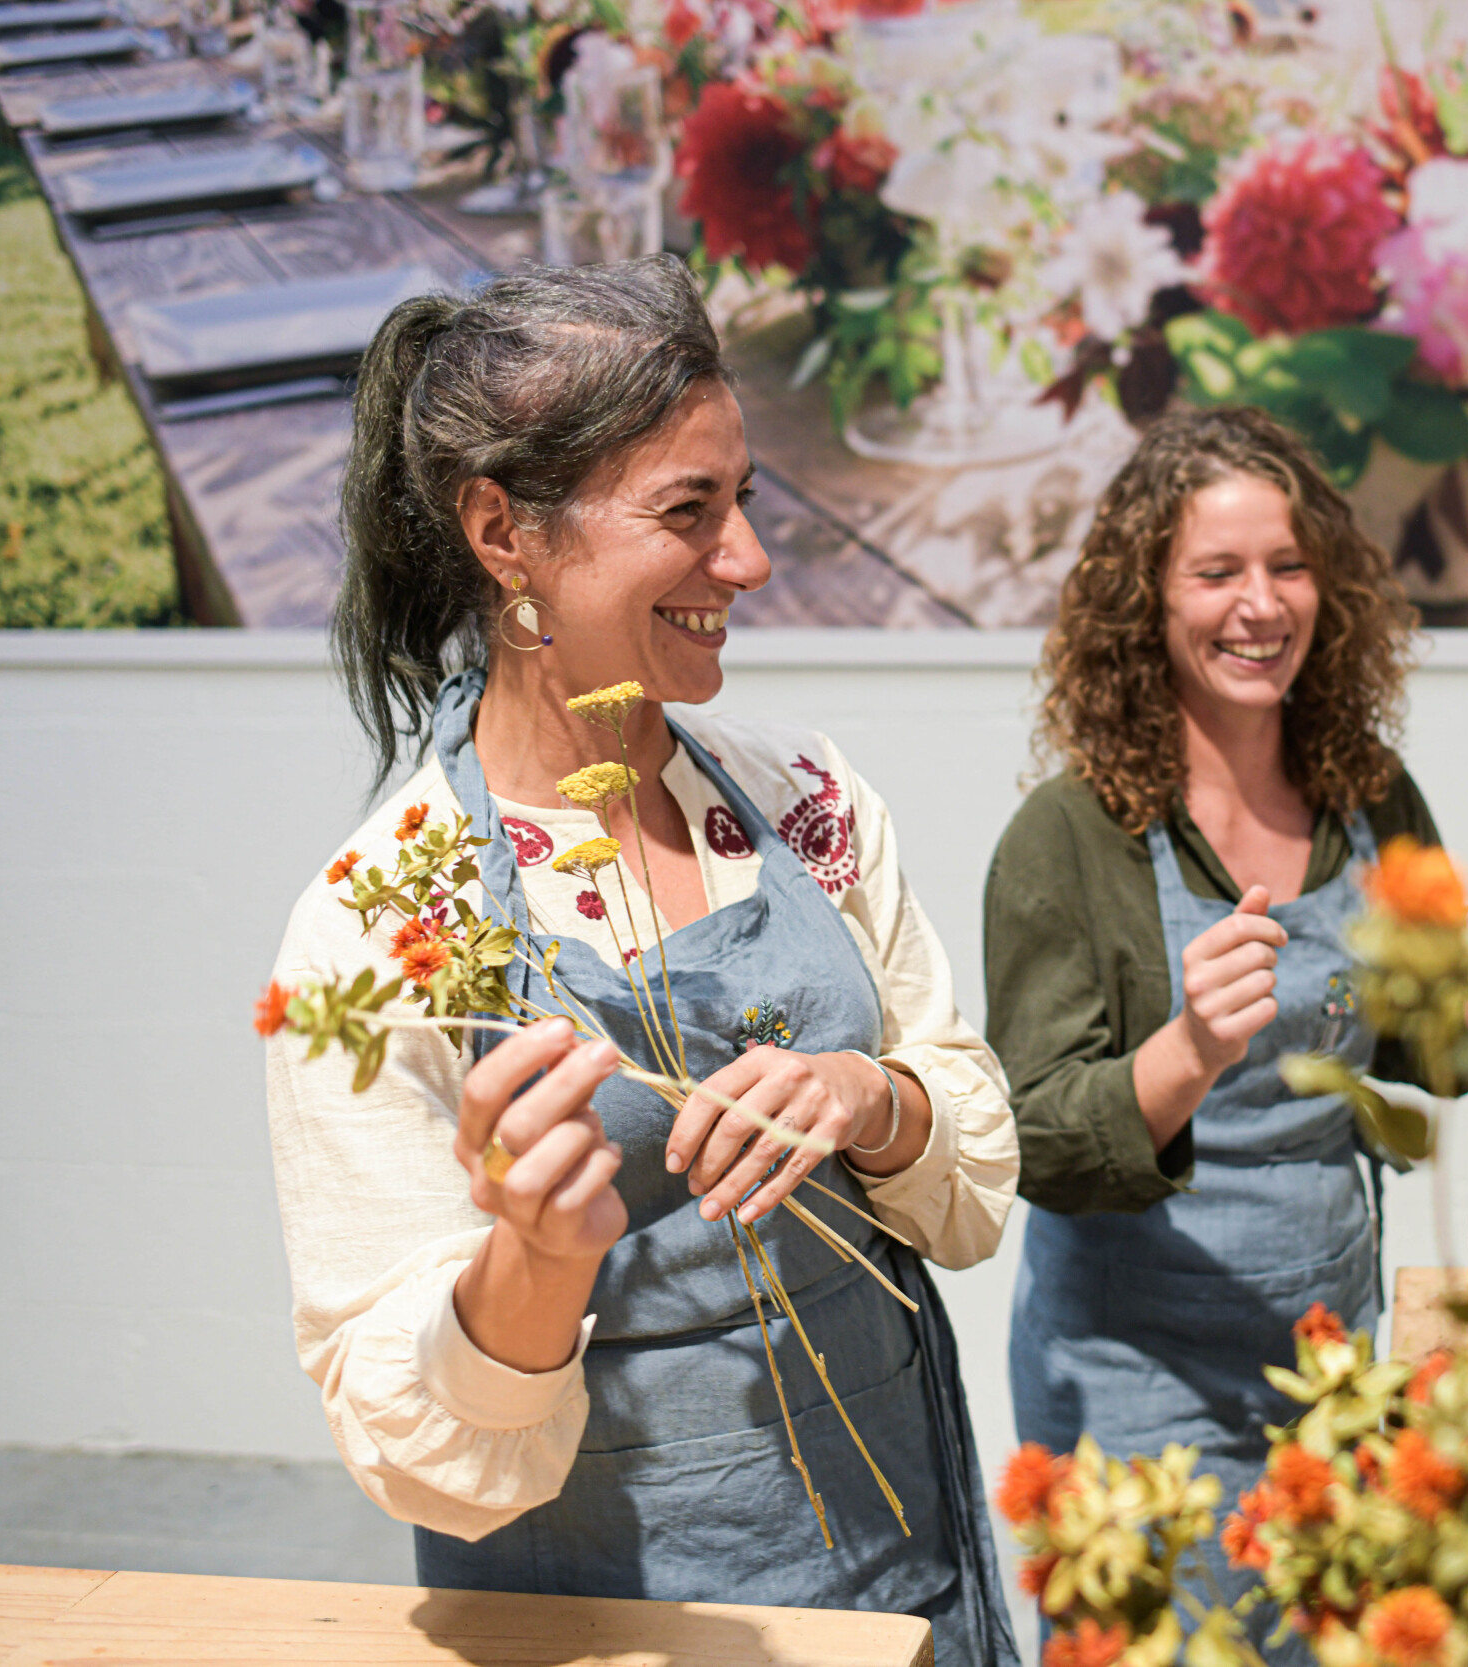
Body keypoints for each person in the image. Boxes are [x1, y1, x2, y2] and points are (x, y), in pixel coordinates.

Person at [262, 256, 1017, 1665]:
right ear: (505, 531)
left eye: (744, 501)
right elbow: (413, 1448)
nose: (748, 559)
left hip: (902, 1589)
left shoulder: (808, 801)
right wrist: (539, 1261)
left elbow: (971, 1181)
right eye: (690, 510)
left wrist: (874, 1096)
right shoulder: (377, 927)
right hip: (610, 1625)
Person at [985, 407, 1468, 1652]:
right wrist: (1188, 1045)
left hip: (1328, 1368)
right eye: (1216, 572)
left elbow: (1417, 1059)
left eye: (1287, 566)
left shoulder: (1371, 794)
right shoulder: (1068, 835)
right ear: (1148, 599)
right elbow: (1034, 1139)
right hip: (1134, 1379)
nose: (1260, 603)